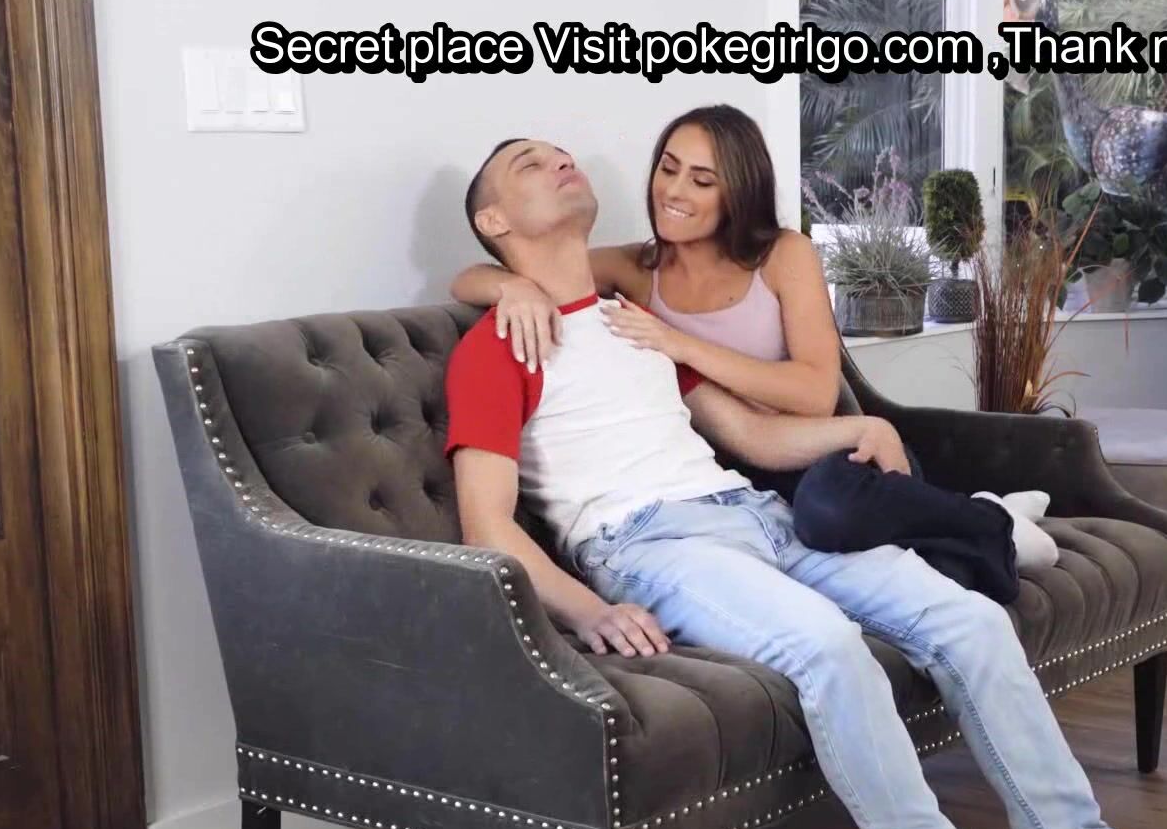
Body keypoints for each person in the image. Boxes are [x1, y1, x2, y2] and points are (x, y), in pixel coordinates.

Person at [447, 136, 1167, 829]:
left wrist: (854, 430)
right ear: (495, 219)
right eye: (527, 163)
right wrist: (588, 609)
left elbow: (749, 434)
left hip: (754, 514)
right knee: (828, 652)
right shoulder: (495, 347)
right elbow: (487, 524)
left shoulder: (631, 319)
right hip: (651, 545)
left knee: (969, 621)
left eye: (559, 152)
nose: (558, 159)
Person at [450, 104, 1060, 576]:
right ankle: (984, 521)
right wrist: (509, 287)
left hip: (819, 457)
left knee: (831, 515)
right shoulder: (636, 267)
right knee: (940, 576)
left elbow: (816, 393)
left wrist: (681, 344)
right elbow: (490, 267)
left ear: (736, 194)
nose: (674, 192)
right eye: (668, 169)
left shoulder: (783, 256)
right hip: (725, 476)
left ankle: (987, 518)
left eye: (702, 181)